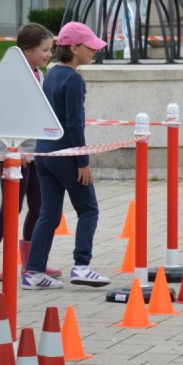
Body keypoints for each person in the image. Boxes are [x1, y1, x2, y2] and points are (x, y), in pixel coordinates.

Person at [23, 22, 112, 289]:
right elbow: (75, 124)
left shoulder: (51, 73)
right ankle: (81, 266)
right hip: (66, 154)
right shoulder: (73, 79)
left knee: (48, 214)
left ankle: (34, 272)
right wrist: (83, 161)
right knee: (88, 209)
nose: (94, 51)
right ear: (74, 48)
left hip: (44, 153)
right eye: (90, 47)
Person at [0, 23, 63, 281]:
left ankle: (32, 263)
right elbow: (0, 115)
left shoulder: (38, 74)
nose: (48, 54)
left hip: (35, 153)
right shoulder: (12, 77)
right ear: (27, 50)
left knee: (39, 206)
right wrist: (16, 149)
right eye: (44, 50)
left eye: (50, 49)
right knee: (12, 208)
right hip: (13, 154)